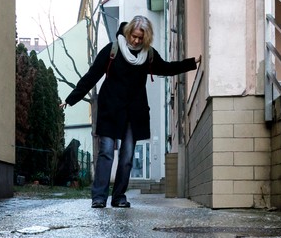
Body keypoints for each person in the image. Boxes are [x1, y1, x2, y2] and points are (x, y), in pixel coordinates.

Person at [61, 16, 201, 208]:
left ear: (146, 38)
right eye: (134, 36)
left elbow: (167, 68)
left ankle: (119, 197)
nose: (136, 41)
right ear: (128, 33)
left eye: (140, 38)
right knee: (106, 152)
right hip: (110, 110)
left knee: (127, 156)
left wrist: (191, 63)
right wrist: (71, 99)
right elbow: (91, 76)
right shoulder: (112, 50)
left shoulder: (148, 55)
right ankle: (99, 197)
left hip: (133, 113)